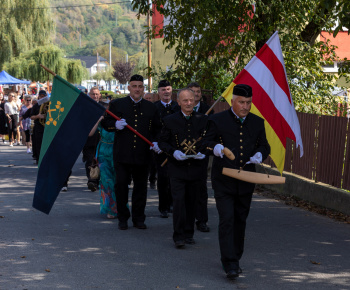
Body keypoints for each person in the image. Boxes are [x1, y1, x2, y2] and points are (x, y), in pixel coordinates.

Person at [201, 84, 270, 280]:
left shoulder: (257, 122)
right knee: (227, 219)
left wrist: (259, 154)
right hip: (223, 179)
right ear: (232, 101)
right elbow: (205, 143)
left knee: (240, 220)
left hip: (247, 179)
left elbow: (264, 146)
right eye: (241, 102)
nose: (245, 106)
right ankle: (230, 262)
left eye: (248, 103)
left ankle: (236, 256)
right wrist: (215, 148)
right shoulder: (217, 120)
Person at [102, 74, 162, 230]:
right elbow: (105, 122)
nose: (137, 89)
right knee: (121, 186)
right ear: (129, 88)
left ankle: (138, 218)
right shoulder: (117, 104)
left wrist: (156, 142)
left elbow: (158, 129)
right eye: (134, 86)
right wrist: (115, 124)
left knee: (141, 188)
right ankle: (123, 217)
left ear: (143, 89)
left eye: (140, 86)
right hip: (122, 155)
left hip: (143, 155)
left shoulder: (151, 107)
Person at [158, 88, 208, 248]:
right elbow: (162, 142)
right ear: (178, 102)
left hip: (196, 168)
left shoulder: (203, 119)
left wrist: (204, 152)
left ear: (195, 101)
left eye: (191, 100)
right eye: (184, 100)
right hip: (177, 168)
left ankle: (189, 233)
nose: (188, 103)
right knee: (179, 202)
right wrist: (173, 152)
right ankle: (178, 236)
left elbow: (210, 141)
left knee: (192, 201)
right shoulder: (169, 120)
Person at [187, 82, 213, 232]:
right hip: (183, 154)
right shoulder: (181, 108)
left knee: (201, 188)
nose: (196, 94)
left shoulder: (208, 110)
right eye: (193, 91)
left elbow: (212, 131)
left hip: (200, 154)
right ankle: (186, 219)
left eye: (198, 91)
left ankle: (202, 220)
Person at [154, 80, 180, 218]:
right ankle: (163, 206)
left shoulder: (177, 106)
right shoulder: (154, 107)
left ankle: (172, 204)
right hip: (159, 149)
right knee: (163, 178)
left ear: (172, 91)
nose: (166, 92)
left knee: (174, 178)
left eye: (168, 89)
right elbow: (151, 127)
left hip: (175, 149)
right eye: (163, 89)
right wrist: (154, 143)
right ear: (159, 92)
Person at [89, 112, 118, 219]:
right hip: (103, 154)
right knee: (106, 182)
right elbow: (90, 133)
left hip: (117, 153)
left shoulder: (120, 120)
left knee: (118, 181)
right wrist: (98, 120)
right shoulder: (103, 122)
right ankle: (111, 209)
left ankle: (120, 207)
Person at [83, 87, 102, 192]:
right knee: (89, 161)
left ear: (99, 95)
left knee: (99, 161)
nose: (95, 96)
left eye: (96, 94)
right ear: (89, 95)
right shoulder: (85, 107)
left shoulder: (104, 107)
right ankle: (91, 181)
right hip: (89, 139)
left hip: (101, 139)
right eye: (93, 94)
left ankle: (96, 181)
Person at [30, 90, 48, 164]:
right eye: (41, 96)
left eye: (44, 96)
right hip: (38, 126)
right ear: (39, 96)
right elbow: (31, 117)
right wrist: (38, 116)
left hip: (48, 126)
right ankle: (39, 159)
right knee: (38, 143)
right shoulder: (36, 106)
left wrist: (46, 116)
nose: (42, 97)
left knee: (47, 143)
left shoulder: (50, 104)